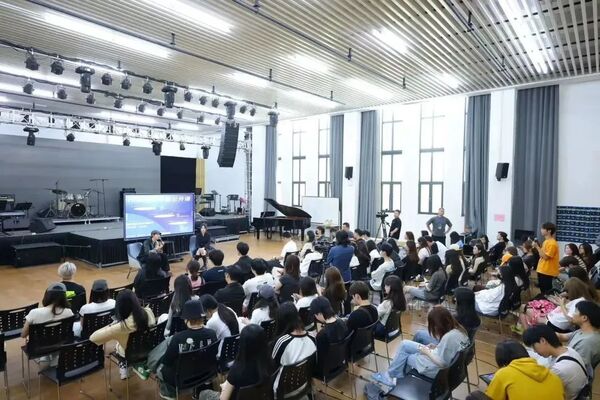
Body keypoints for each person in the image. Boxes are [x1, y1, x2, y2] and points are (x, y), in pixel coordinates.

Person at [371, 307, 469, 387]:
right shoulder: (459, 330)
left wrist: (427, 352)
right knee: (407, 344)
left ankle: (391, 377)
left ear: (438, 324)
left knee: (406, 355)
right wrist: (436, 347)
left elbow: (443, 363)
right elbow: (449, 351)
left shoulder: (448, 337)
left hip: (437, 370)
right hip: (446, 368)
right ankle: (394, 375)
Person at [155, 300, 217, 399]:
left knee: (160, 369)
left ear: (186, 319)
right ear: (202, 317)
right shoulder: (212, 333)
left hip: (182, 379)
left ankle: (168, 395)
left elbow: (167, 361)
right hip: (206, 374)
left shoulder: (178, 338)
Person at [194, 324, 273, 400]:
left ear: (242, 344)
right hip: (261, 396)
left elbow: (223, 398)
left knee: (203, 393)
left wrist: (224, 388)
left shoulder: (237, 370)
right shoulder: (270, 362)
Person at [90, 289, 155, 379]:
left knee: (119, 343)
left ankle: (125, 364)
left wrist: (112, 325)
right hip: (148, 349)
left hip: (130, 354)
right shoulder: (148, 311)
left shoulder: (121, 327)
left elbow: (93, 338)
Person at [467, 340, 564, 400]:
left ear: (503, 362)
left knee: (474, 397)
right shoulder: (553, 376)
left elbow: (492, 397)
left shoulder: (504, 374)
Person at [523, 324, 588, 400]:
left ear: (543, 341)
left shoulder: (559, 369)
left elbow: (539, 389)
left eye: (534, 346)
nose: (534, 350)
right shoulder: (568, 350)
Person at [272, 303, 317, 390]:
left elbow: (272, 367)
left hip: (283, 390)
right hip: (304, 384)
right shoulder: (312, 338)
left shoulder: (282, 342)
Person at [557, 301, 600, 374]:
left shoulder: (587, 342)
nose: (573, 314)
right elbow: (563, 336)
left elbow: (574, 368)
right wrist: (544, 332)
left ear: (584, 318)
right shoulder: (583, 331)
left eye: (575, 311)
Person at [311, 296, 348, 373]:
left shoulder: (322, 334)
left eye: (315, 315)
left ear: (319, 313)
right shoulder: (342, 322)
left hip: (326, 369)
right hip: (342, 360)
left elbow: (320, 357)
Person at [533, 222, 560, 294]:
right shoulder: (546, 241)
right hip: (542, 270)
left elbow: (545, 257)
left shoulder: (552, 243)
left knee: (547, 292)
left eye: (543, 228)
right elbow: (541, 255)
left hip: (548, 271)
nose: (541, 230)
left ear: (549, 231)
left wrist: (537, 247)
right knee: (543, 291)